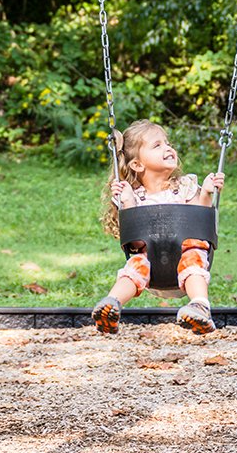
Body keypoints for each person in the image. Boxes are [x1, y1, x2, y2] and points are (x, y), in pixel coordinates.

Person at [91, 119, 225, 336]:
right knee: (135, 266)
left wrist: (207, 193)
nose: (168, 148)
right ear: (137, 165)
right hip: (150, 260)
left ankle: (200, 306)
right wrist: (126, 203)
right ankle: (111, 305)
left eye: (167, 143)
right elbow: (134, 241)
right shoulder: (133, 196)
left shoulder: (185, 187)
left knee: (193, 258)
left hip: (185, 252)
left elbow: (200, 220)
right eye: (157, 145)